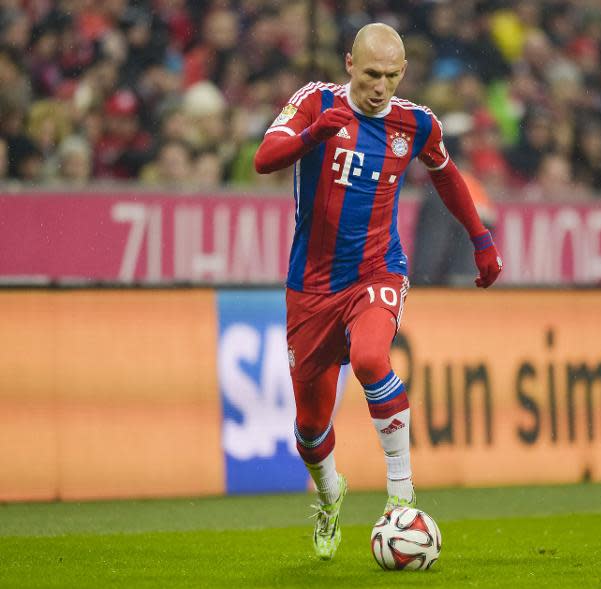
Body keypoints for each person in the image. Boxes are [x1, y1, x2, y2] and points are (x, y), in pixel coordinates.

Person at [253, 23, 502, 561]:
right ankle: (328, 495)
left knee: (370, 357)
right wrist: (316, 134)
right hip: (311, 288)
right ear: (349, 65)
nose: (380, 86)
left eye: (391, 75)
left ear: (403, 73)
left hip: (376, 273)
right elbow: (265, 158)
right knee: (311, 428)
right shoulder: (314, 102)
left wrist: (481, 240)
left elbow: (448, 177)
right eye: (370, 74)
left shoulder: (415, 123)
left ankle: (401, 499)